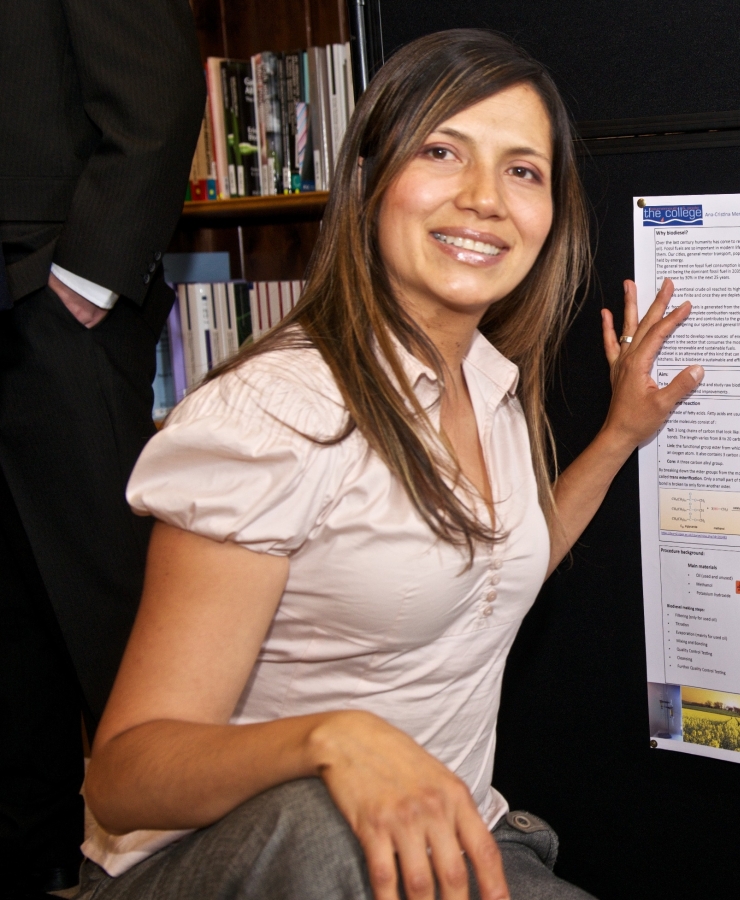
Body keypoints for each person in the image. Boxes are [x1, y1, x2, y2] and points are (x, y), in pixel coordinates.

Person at [76, 30, 701, 900]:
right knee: (322, 821)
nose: (485, 198)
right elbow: (125, 774)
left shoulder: (489, 385)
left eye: (523, 170)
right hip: (245, 863)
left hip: (441, 848)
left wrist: (617, 437)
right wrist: (329, 740)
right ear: (370, 183)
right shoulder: (275, 413)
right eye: (442, 151)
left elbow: (495, 567)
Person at [0, 0, 203, 892]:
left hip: (44, 307)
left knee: (117, 627)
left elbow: (156, 92)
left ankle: (204, 874)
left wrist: (81, 283)